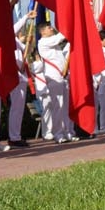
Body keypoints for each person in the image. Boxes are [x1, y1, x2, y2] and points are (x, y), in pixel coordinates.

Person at [36, 21, 75, 144]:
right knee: (58, 106)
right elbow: (60, 37)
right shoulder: (43, 42)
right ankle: (58, 133)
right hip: (54, 77)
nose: (51, 28)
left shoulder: (54, 42)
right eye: (48, 27)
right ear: (43, 32)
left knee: (65, 106)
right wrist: (69, 22)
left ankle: (67, 131)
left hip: (63, 76)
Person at [7, 10, 37, 147]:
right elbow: (12, 30)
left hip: (21, 74)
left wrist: (30, 42)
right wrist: (25, 17)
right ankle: (13, 137)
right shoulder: (7, 36)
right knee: (15, 107)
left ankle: (16, 135)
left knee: (18, 107)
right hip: (12, 74)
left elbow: (28, 50)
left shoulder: (16, 41)